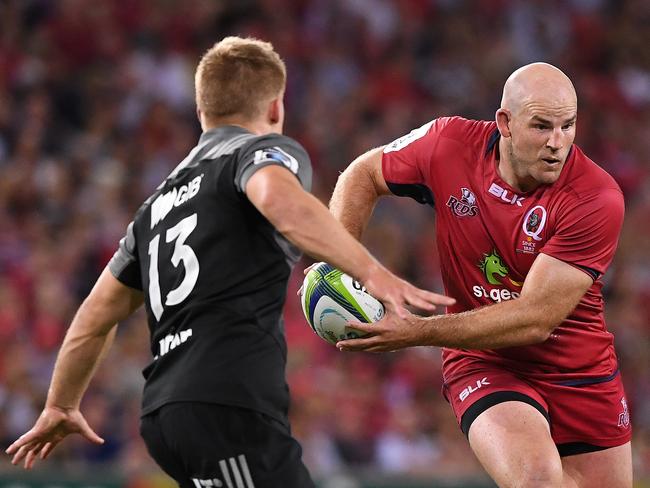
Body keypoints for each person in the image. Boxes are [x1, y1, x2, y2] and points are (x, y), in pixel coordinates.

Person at [6, 37, 453, 487]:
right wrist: (371, 271)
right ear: (276, 107)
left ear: (202, 112)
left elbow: (95, 314)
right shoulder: (257, 153)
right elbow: (277, 197)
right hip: (227, 403)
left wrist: (61, 403)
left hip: (167, 411)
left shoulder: (155, 208)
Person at [328, 63, 632, 487]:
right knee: (538, 480)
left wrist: (417, 331)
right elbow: (363, 173)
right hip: (485, 361)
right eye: (542, 126)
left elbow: (535, 320)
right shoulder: (447, 144)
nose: (557, 143)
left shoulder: (596, 197)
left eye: (568, 125)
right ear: (504, 122)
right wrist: (337, 262)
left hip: (581, 374)